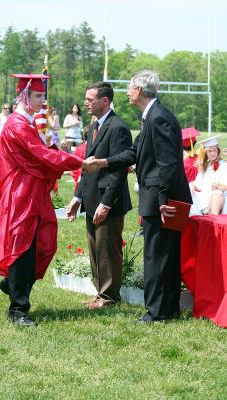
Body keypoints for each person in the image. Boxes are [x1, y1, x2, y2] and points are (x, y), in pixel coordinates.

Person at [0, 73, 94, 327]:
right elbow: (40, 156)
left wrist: (63, 156)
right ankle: (18, 309)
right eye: (38, 96)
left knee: (42, 244)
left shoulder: (26, 123)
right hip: (21, 194)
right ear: (24, 96)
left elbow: (41, 155)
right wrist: (78, 162)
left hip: (31, 192)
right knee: (23, 248)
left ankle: (12, 284)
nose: (42, 101)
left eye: (43, 96)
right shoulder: (17, 125)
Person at [91, 70, 192, 322]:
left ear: (138, 90)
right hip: (159, 198)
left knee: (157, 256)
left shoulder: (159, 118)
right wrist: (103, 162)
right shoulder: (151, 117)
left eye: (129, 88)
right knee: (164, 254)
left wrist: (162, 200)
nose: (126, 92)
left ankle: (157, 312)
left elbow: (168, 164)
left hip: (162, 201)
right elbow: (133, 153)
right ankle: (168, 309)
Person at [67, 81, 132, 309]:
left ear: (104, 101)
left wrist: (106, 203)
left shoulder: (118, 127)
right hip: (91, 199)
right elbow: (86, 167)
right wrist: (77, 198)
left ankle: (109, 298)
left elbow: (118, 170)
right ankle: (100, 294)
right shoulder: (95, 127)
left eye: (90, 99)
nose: (85, 103)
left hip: (108, 202)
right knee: (96, 249)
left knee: (107, 250)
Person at [189, 135, 227, 216]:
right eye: (210, 151)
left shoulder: (223, 165)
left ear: (218, 151)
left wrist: (222, 186)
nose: (212, 153)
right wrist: (194, 186)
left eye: (214, 150)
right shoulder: (205, 165)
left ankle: (211, 218)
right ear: (206, 152)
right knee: (189, 189)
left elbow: (225, 185)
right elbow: (198, 183)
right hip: (204, 193)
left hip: (217, 195)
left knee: (217, 193)